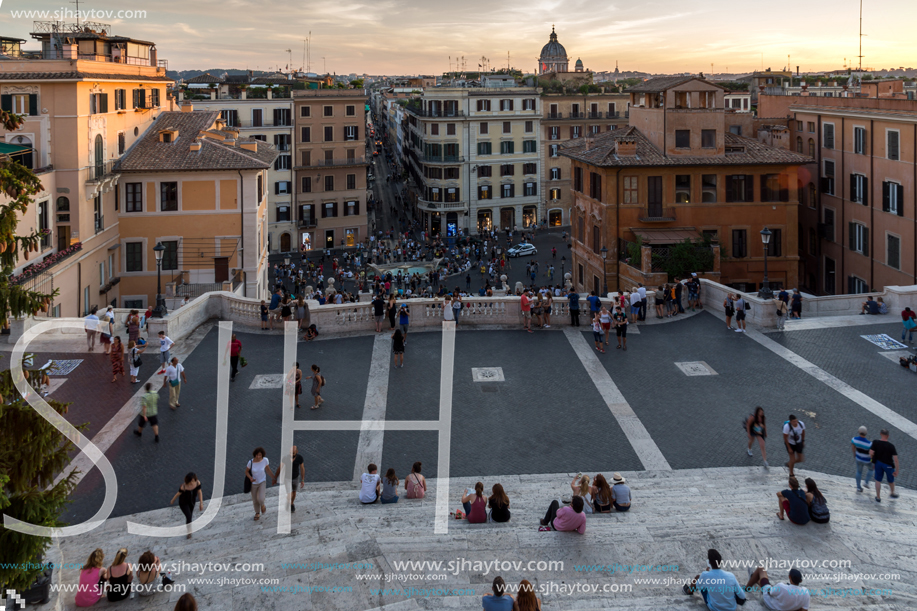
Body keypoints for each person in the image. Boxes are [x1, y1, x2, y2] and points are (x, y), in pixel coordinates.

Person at [682, 548, 746, 609]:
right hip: (731, 608)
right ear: (720, 562)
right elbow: (742, 596)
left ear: (709, 562)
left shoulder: (705, 575)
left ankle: (688, 591)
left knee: (699, 580)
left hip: (715, 608)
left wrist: (705, 573)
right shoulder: (731, 575)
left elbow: (698, 586)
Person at [745, 567, 810, 611]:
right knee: (773, 588)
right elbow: (804, 609)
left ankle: (746, 588)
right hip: (785, 608)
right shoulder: (805, 592)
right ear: (800, 581)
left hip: (770, 605)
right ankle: (754, 579)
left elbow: (769, 592)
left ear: (789, 577)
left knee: (761, 569)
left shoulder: (781, 586)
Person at [170, 472, 204, 538]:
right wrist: (173, 500)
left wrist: (201, 503)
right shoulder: (184, 486)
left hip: (192, 502)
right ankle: (189, 532)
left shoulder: (197, 483)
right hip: (183, 503)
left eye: (193, 480)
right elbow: (178, 494)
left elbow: (199, 492)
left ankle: (189, 529)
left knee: (190, 516)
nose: (192, 482)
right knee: (188, 516)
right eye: (191, 481)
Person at [870, 429, 899, 502]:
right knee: (891, 480)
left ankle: (878, 497)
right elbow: (895, 459)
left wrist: (872, 461)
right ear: (888, 436)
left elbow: (871, 453)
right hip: (888, 465)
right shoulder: (891, 446)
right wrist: (897, 470)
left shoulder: (875, 442)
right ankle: (892, 493)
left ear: (880, 434)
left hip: (878, 463)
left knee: (878, 480)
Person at [273, 445, 306, 511]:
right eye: (290, 452)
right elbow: (280, 468)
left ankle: (291, 503)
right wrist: (275, 477)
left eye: (293, 453)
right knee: (289, 493)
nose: (291, 454)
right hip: (287, 478)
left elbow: (302, 468)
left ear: (297, 452)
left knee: (294, 492)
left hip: (296, 478)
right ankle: (288, 502)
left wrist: (302, 480)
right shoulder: (285, 458)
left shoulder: (299, 458)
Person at [245, 447, 274, 520]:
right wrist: (250, 478)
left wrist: (274, 477)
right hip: (253, 483)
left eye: (259, 455)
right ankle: (257, 513)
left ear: (262, 455)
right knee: (255, 500)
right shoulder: (250, 462)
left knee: (260, 498)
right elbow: (246, 472)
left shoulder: (265, 460)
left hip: (262, 482)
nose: (258, 457)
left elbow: (267, 470)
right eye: (256, 455)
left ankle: (262, 505)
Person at [852, 425, 873, 492]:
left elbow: (853, 448)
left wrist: (854, 454)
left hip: (858, 458)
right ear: (866, 433)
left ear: (859, 432)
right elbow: (871, 453)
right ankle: (866, 482)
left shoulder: (854, 440)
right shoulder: (870, 444)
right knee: (871, 469)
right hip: (867, 460)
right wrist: (872, 460)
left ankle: (858, 487)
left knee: (859, 472)